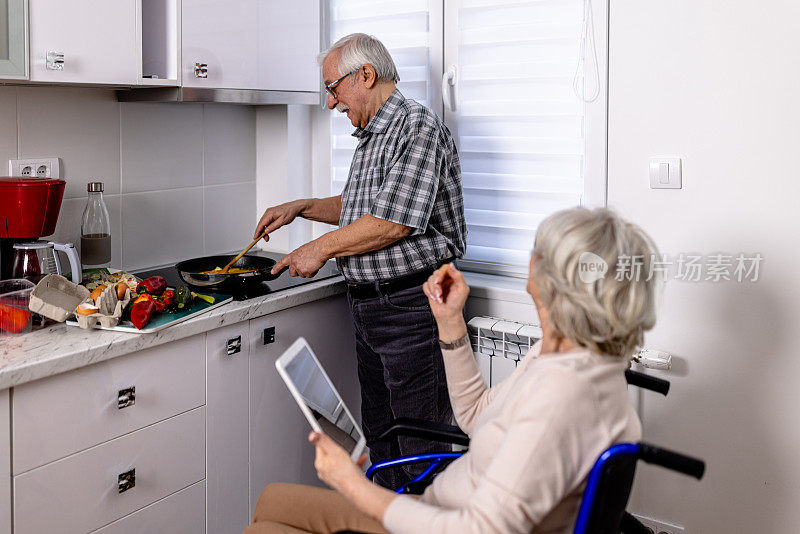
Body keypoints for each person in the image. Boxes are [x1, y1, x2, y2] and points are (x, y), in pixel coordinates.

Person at [244, 207, 659, 534]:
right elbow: (477, 416)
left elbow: (479, 529)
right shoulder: (563, 354)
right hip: (438, 509)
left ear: (548, 281)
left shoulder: (561, 396)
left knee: (264, 528)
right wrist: (449, 321)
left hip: (443, 521)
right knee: (272, 500)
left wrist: (354, 487)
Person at [253, 33, 466, 488]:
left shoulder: (416, 128)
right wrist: (302, 206)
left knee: (420, 445)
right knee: (382, 438)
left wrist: (318, 248)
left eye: (333, 88)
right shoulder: (373, 135)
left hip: (411, 306)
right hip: (371, 308)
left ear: (365, 75)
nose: (331, 103)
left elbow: (393, 223)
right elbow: (361, 207)